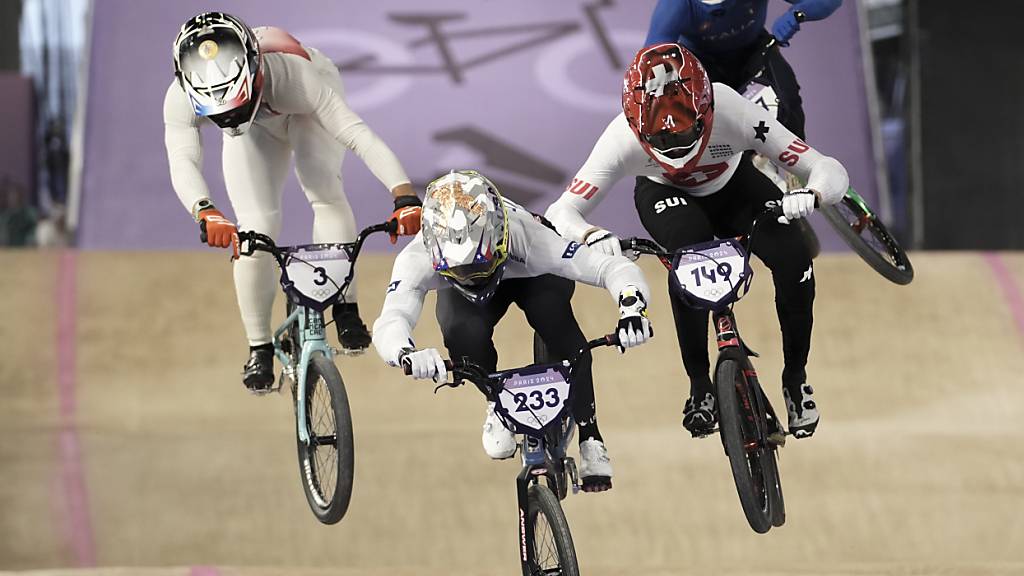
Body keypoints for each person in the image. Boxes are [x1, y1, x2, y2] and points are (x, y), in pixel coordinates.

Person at [544, 44, 849, 439]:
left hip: (734, 187)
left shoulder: (733, 110)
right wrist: (591, 234)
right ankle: (699, 386)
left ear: (706, 110)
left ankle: (795, 378)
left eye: (687, 131)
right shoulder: (621, 138)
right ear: (638, 127)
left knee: (794, 259)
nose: (674, 147)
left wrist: (814, 194)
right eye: (659, 138)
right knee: (689, 259)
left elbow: (825, 167)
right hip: (665, 197)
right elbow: (561, 211)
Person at [163, 12, 422, 392]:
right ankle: (259, 347)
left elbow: (357, 135)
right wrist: (205, 210)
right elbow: (182, 159)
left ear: (254, 73)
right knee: (252, 230)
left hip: (303, 111)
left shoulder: (295, 78)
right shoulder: (181, 97)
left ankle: (345, 306)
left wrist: (404, 195)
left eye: (235, 106)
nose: (230, 119)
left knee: (325, 192)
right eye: (218, 115)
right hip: (257, 131)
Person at [372, 170, 653, 492]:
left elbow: (612, 268)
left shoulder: (532, 240)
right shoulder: (419, 256)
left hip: (532, 272)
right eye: (460, 271)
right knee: (461, 333)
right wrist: (405, 353)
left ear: (499, 237)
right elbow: (392, 318)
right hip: (486, 274)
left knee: (559, 326)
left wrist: (632, 307)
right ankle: (497, 403)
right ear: (436, 255)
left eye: (479, 266)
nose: (472, 278)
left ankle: (591, 436)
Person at [645, 0, 843, 141]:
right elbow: (652, 62)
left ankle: (800, 171)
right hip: (703, 67)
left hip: (754, 52)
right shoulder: (676, 5)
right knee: (705, 129)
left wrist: (798, 14)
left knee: (786, 98)